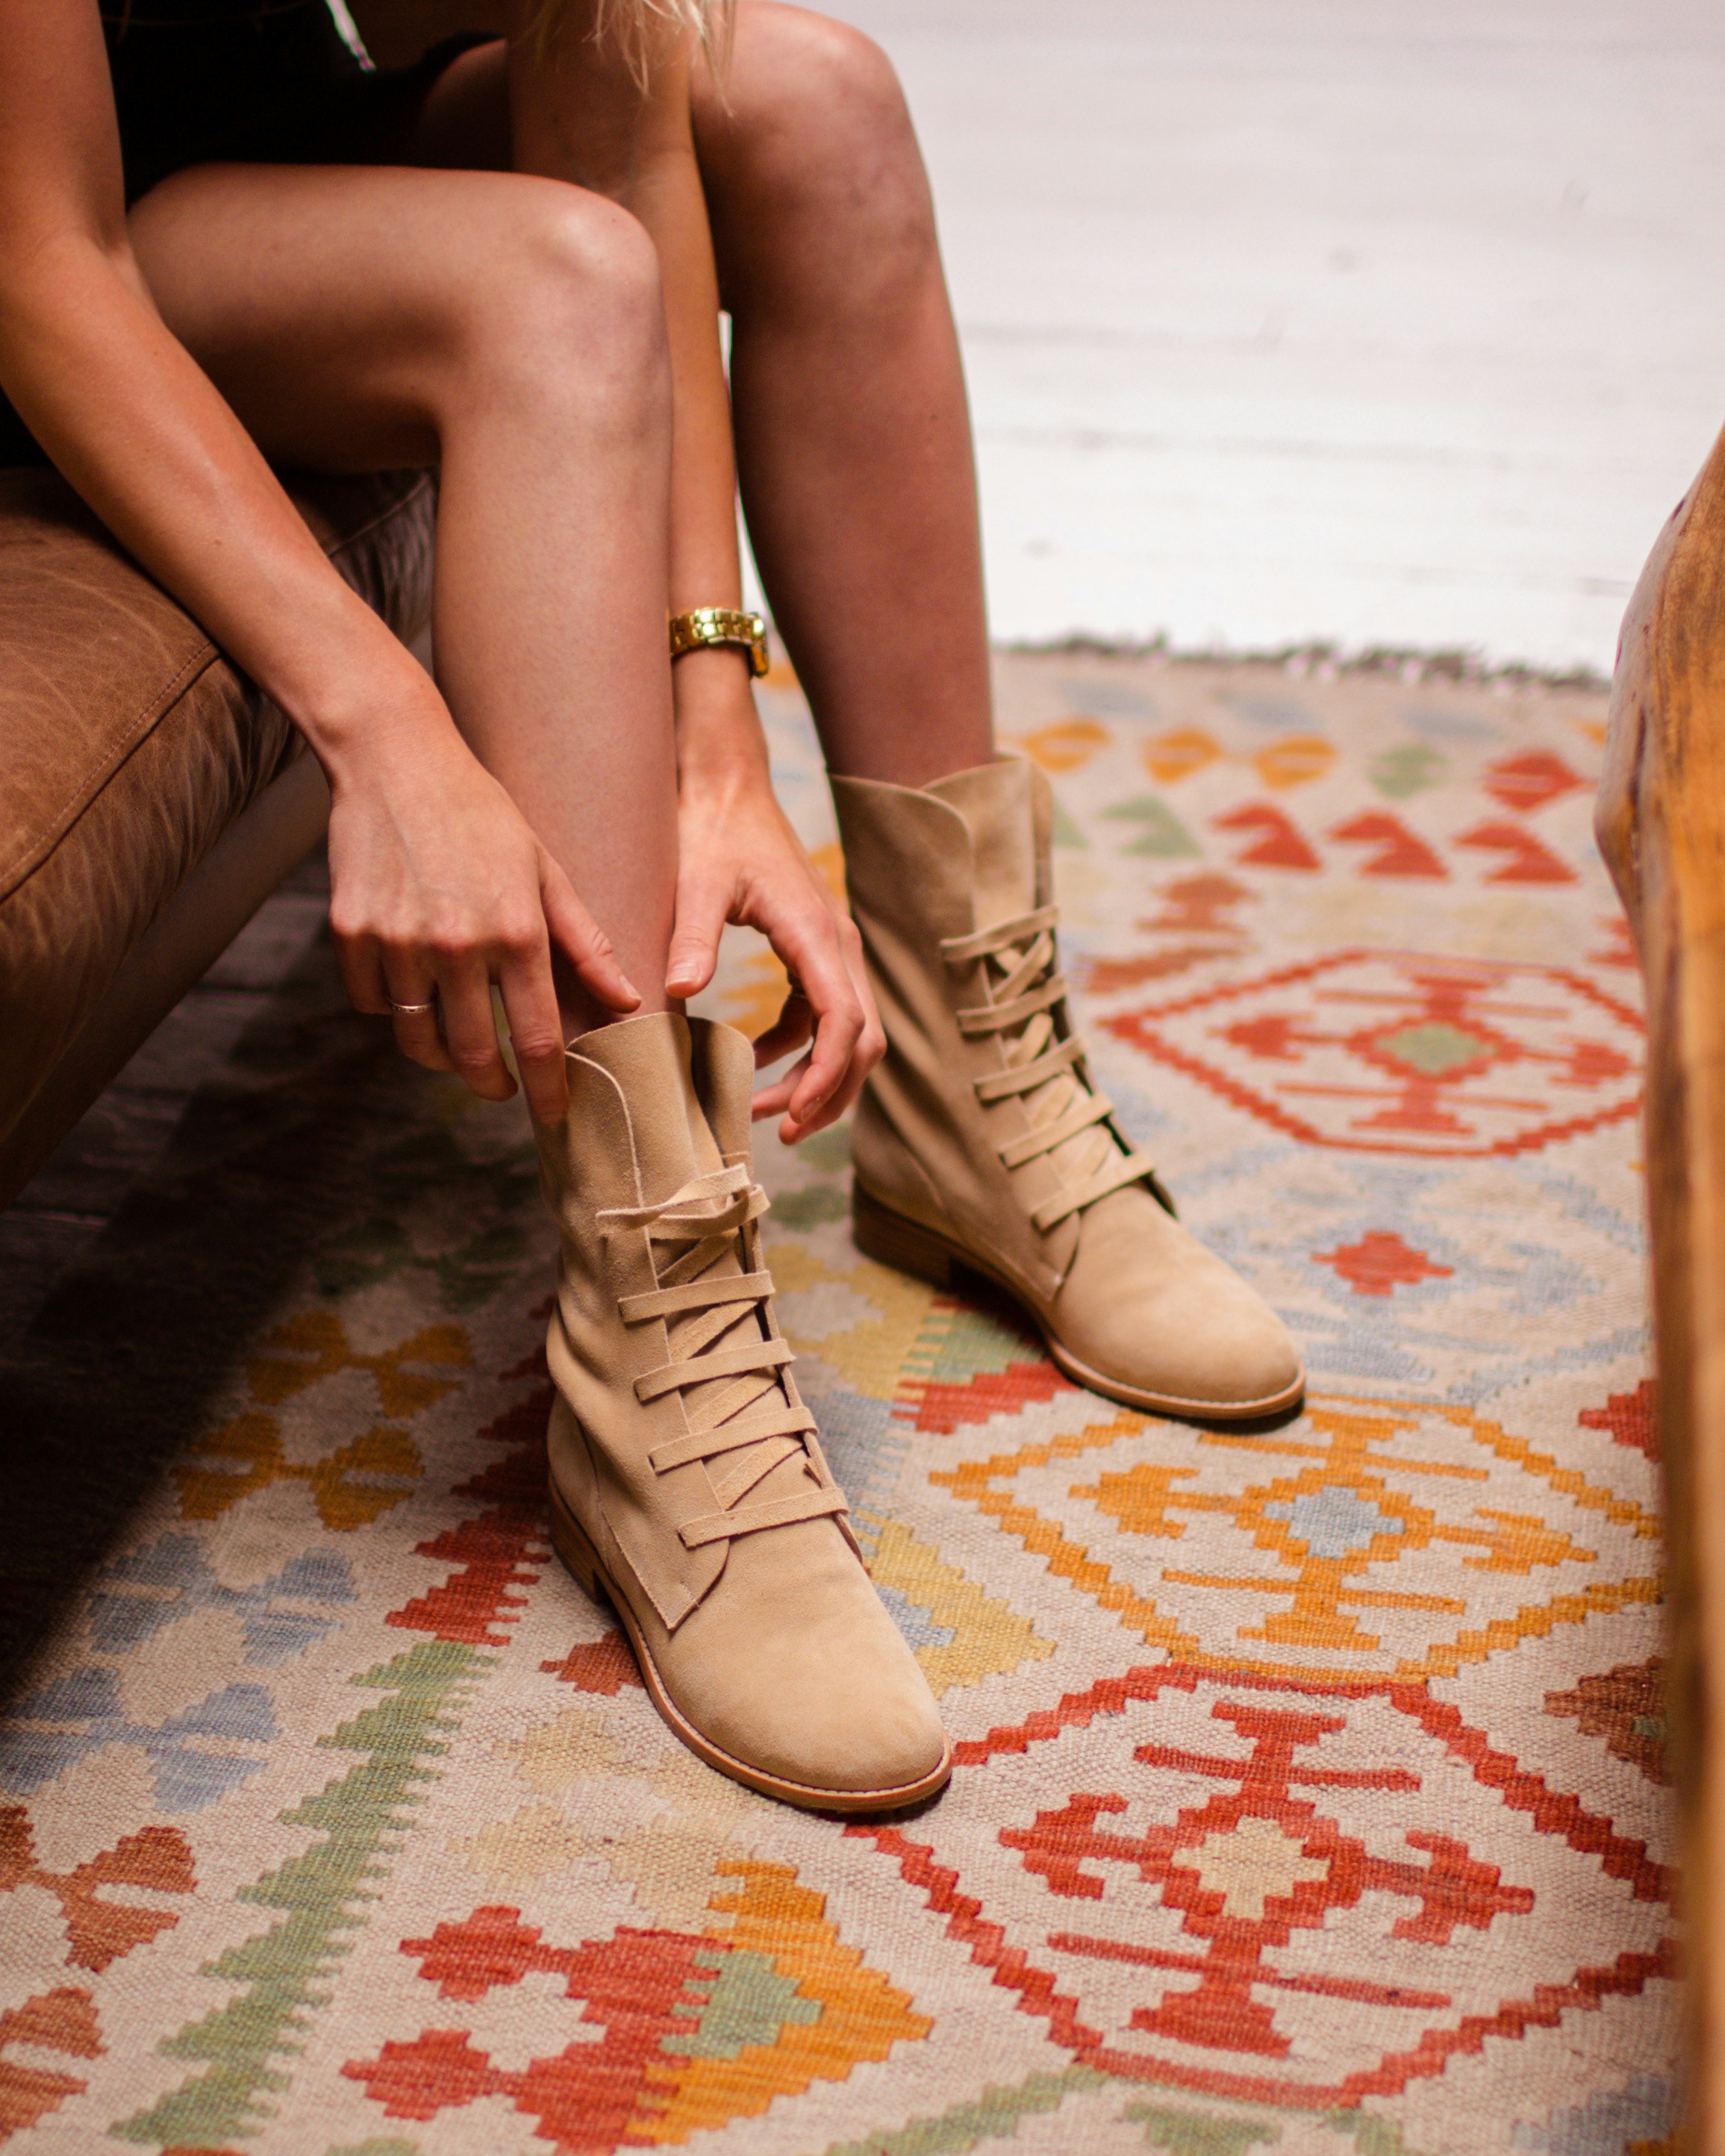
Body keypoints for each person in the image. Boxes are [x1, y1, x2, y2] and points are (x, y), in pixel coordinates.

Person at [0, 0, 1303, 1811]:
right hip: (51, 242)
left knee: (813, 108)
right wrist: (392, 731)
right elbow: (41, 264)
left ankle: (963, 1055)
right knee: (544, 282)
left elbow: (614, 129)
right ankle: (651, 1304)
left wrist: (718, 738)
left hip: (263, 126)